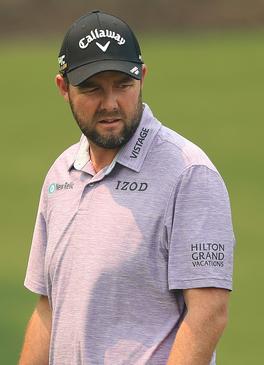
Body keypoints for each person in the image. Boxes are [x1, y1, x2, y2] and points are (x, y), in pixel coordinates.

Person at [20, 10, 235, 364]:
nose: (111, 103)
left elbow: (208, 313)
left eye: (123, 85)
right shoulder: (60, 176)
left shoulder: (189, 173)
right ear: (63, 88)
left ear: (142, 78)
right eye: (92, 88)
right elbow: (48, 308)